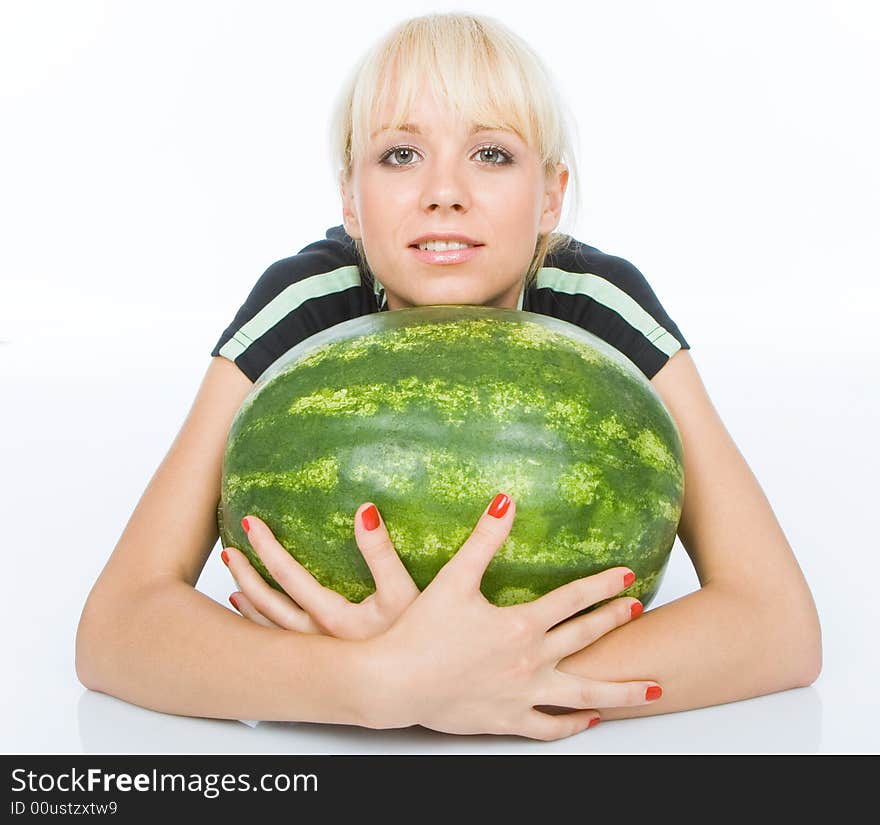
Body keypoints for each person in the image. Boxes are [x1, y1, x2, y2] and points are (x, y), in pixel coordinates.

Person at [75, 12, 821, 740]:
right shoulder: (303, 303)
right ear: (349, 201)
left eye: (491, 153)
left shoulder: (601, 304)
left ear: (552, 197)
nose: (444, 190)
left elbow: (778, 625)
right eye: (401, 154)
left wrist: (487, 682)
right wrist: (381, 684)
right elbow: (117, 626)